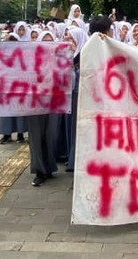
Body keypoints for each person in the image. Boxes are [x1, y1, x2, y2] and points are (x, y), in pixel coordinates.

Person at [26, 31, 62, 186]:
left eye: (51, 41)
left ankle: (49, 167)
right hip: (34, 103)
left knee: (51, 135)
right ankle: (39, 170)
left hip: (53, 103)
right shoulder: (31, 61)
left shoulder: (59, 61)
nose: (48, 45)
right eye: (45, 41)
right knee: (36, 136)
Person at [62, 27, 88, 172]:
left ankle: (75, 160)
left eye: (73, 39)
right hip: (68, 96)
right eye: (68, 39)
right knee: (70, 128)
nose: (69, 42)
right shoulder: (66, 55)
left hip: (79, 96)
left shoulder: (84, 56)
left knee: (77, 128)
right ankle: (70, 157)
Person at [0, 32, 28, 144]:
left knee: (19, 111)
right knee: (6, 112)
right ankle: (6, 134)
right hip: (5, 87)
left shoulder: (22, 55)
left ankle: (20, 134)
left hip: (19, 87)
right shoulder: (2, 55)